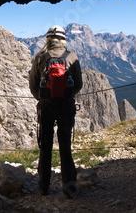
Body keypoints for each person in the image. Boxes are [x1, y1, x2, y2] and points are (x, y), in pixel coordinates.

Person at [29, 25, 83, 199]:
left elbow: (33, 85)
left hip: (46, 108)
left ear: (48, 39)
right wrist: (66, 97)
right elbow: (79, 84)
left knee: (45, 146)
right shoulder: (72, 57)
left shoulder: (40, 58)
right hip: (66, 108)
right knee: (65, 146)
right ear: (63, 39)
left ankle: (43, 186)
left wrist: (43, 98)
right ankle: (69, 187)